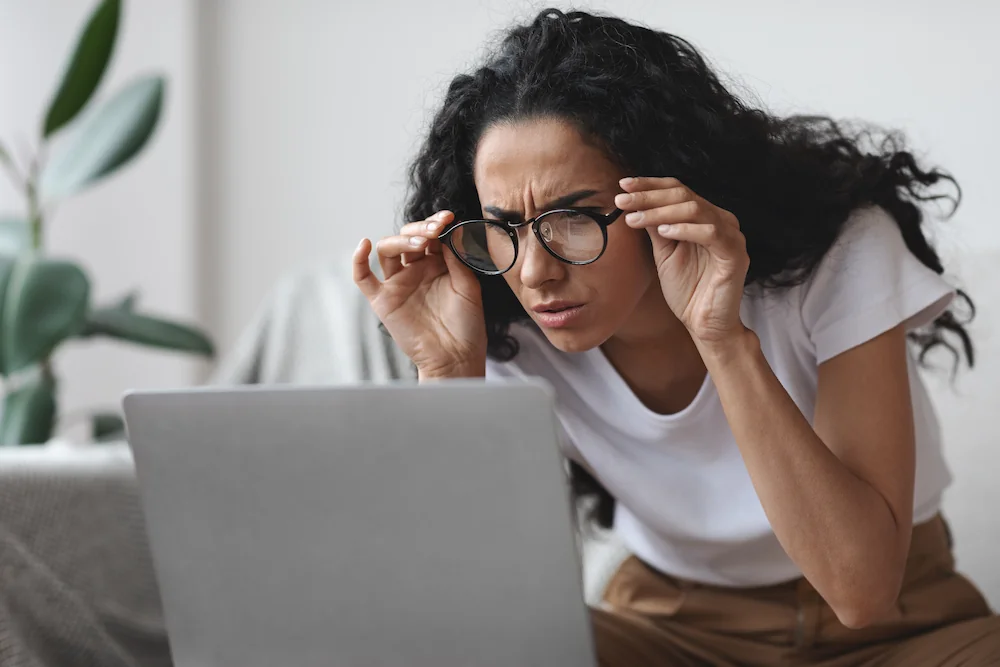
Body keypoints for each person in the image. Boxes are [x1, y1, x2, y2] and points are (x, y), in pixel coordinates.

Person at [352, 8, 1000, 666]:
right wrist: (448, 373)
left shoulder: (839, 252)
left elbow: (862, 592)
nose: (534, 271)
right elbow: (457, 613)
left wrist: (724, 339)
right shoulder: (502, 321)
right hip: (669, 628)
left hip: (902, 629)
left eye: (572, 218)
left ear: (667, 192)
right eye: (504, 226)